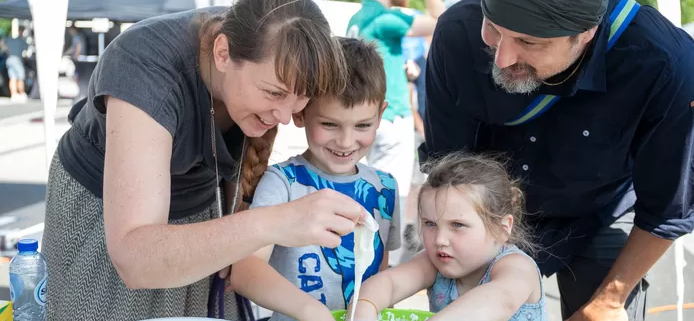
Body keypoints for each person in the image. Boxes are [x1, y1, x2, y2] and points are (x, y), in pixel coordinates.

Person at [42, 1, 368, 320]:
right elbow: (134, 258)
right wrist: (271, 222)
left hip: (202, 211)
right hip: (105, 220)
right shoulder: (143, 66)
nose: (285, 116)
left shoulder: (261, 40)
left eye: (300, 97)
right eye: (273, 93)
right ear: (222, 54)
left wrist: (236, 222)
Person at [420, 0, 694, 320]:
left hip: (601, 210)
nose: (502, 57)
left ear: (587, 32)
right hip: (486, 208)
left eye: (528, 41)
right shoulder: (458, 31)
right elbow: (448, 170)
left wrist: (609, 301)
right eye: (493, 29)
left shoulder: (667, 64)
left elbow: (667, 209)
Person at [231, 37, 400, 321]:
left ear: (380, 114)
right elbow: (246, 271)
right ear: (301, 113)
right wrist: (311, 311)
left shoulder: (385, 189)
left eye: (362, 125)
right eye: (329, 124)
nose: (346, 141)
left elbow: (382, 275)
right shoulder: (282, 183)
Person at [349, 153, 546, 321]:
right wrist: (364, 308)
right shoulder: (433, 262)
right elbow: (389, 284)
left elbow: (501, 299)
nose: (440, 239)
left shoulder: (517, 267)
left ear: (503, 228)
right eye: (430, 224)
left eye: (457, 225)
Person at [346, 0, 445, 267]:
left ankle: (364, 258)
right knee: (392, 195)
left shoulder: (358, 17)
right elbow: (443, 22)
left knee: (369, 188)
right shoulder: (386, 19)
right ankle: (385, 266)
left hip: (365, 115)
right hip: (391, 115)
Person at [4, 26, 28, 102]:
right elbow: (25, 52)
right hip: (17, 60)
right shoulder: (22, 41)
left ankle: (13, 94)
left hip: (9, 59)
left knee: (13, 77)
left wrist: (6, 51)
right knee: (20, 77)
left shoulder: (10, 39)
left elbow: (3, 43)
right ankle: (21, 93)